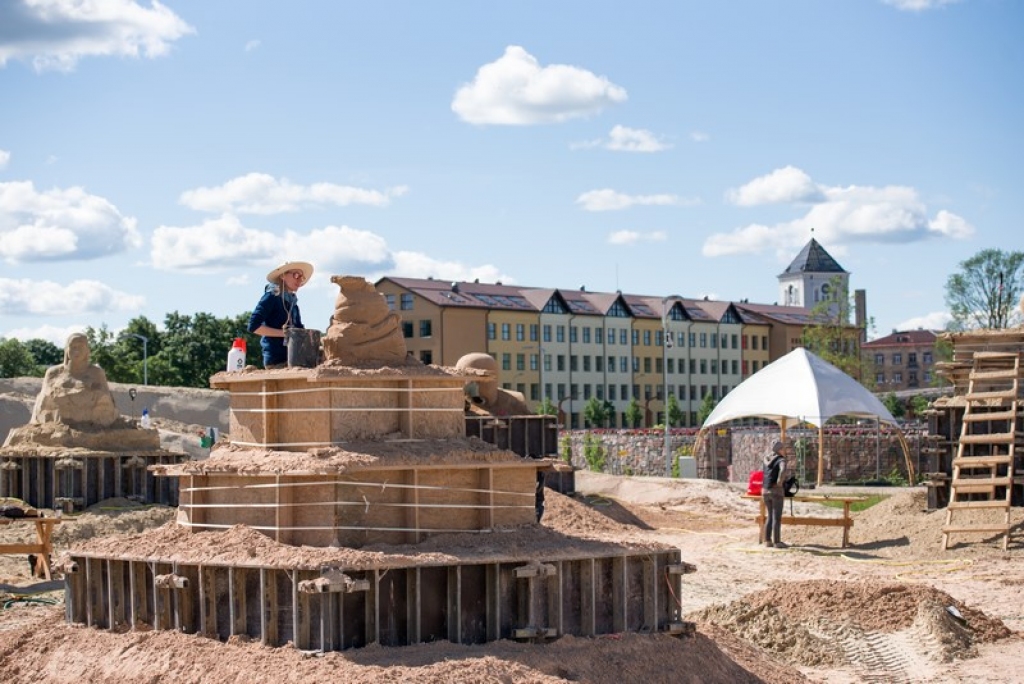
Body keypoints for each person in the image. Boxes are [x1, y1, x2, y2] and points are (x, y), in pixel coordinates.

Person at [248, 261, 313, 368]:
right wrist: (286, 334)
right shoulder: (271, 297)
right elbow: (253, 326)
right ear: (283, 276)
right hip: (276, 361)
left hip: (294, 360)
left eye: (302, 277)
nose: (300, 280)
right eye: (296, 275)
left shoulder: (294, 305)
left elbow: (300, 331)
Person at [761, 439, 788, 548]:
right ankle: (777, 542)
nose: (784, 450)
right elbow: (783, 470)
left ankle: (767, 540)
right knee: (776, 517)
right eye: (782, 448)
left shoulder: (765, 459)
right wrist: (779, 483)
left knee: (770, 516)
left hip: (765, 491)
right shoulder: (781, 460)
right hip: (776, 491)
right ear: (779, 449)